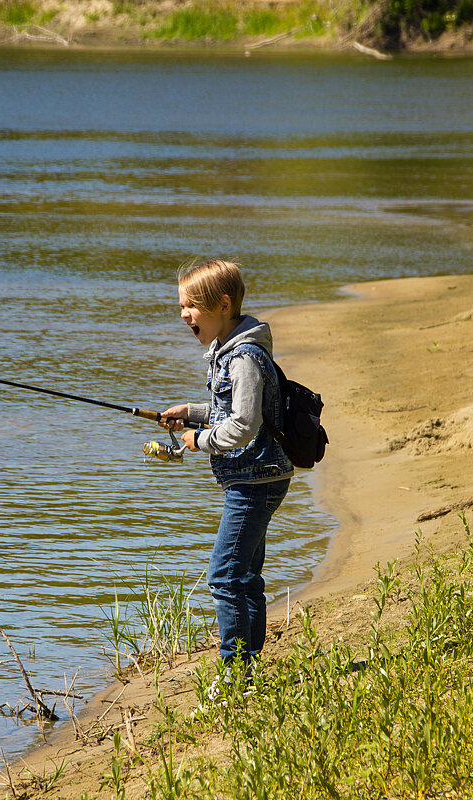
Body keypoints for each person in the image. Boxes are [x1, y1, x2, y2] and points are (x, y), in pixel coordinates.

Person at [160, 259, 293, 675]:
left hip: (255, 479)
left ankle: (235, 675)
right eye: (181, 306)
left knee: (224, 577)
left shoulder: (244, 357)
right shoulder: (228, 351)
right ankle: (250, 668)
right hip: (258, 476)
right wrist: (192, 411)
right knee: (246, 577)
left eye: (191, 307)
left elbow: (244, 422)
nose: (185, 315)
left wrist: (199, 440)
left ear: (222, 304)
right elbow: (229, 408)